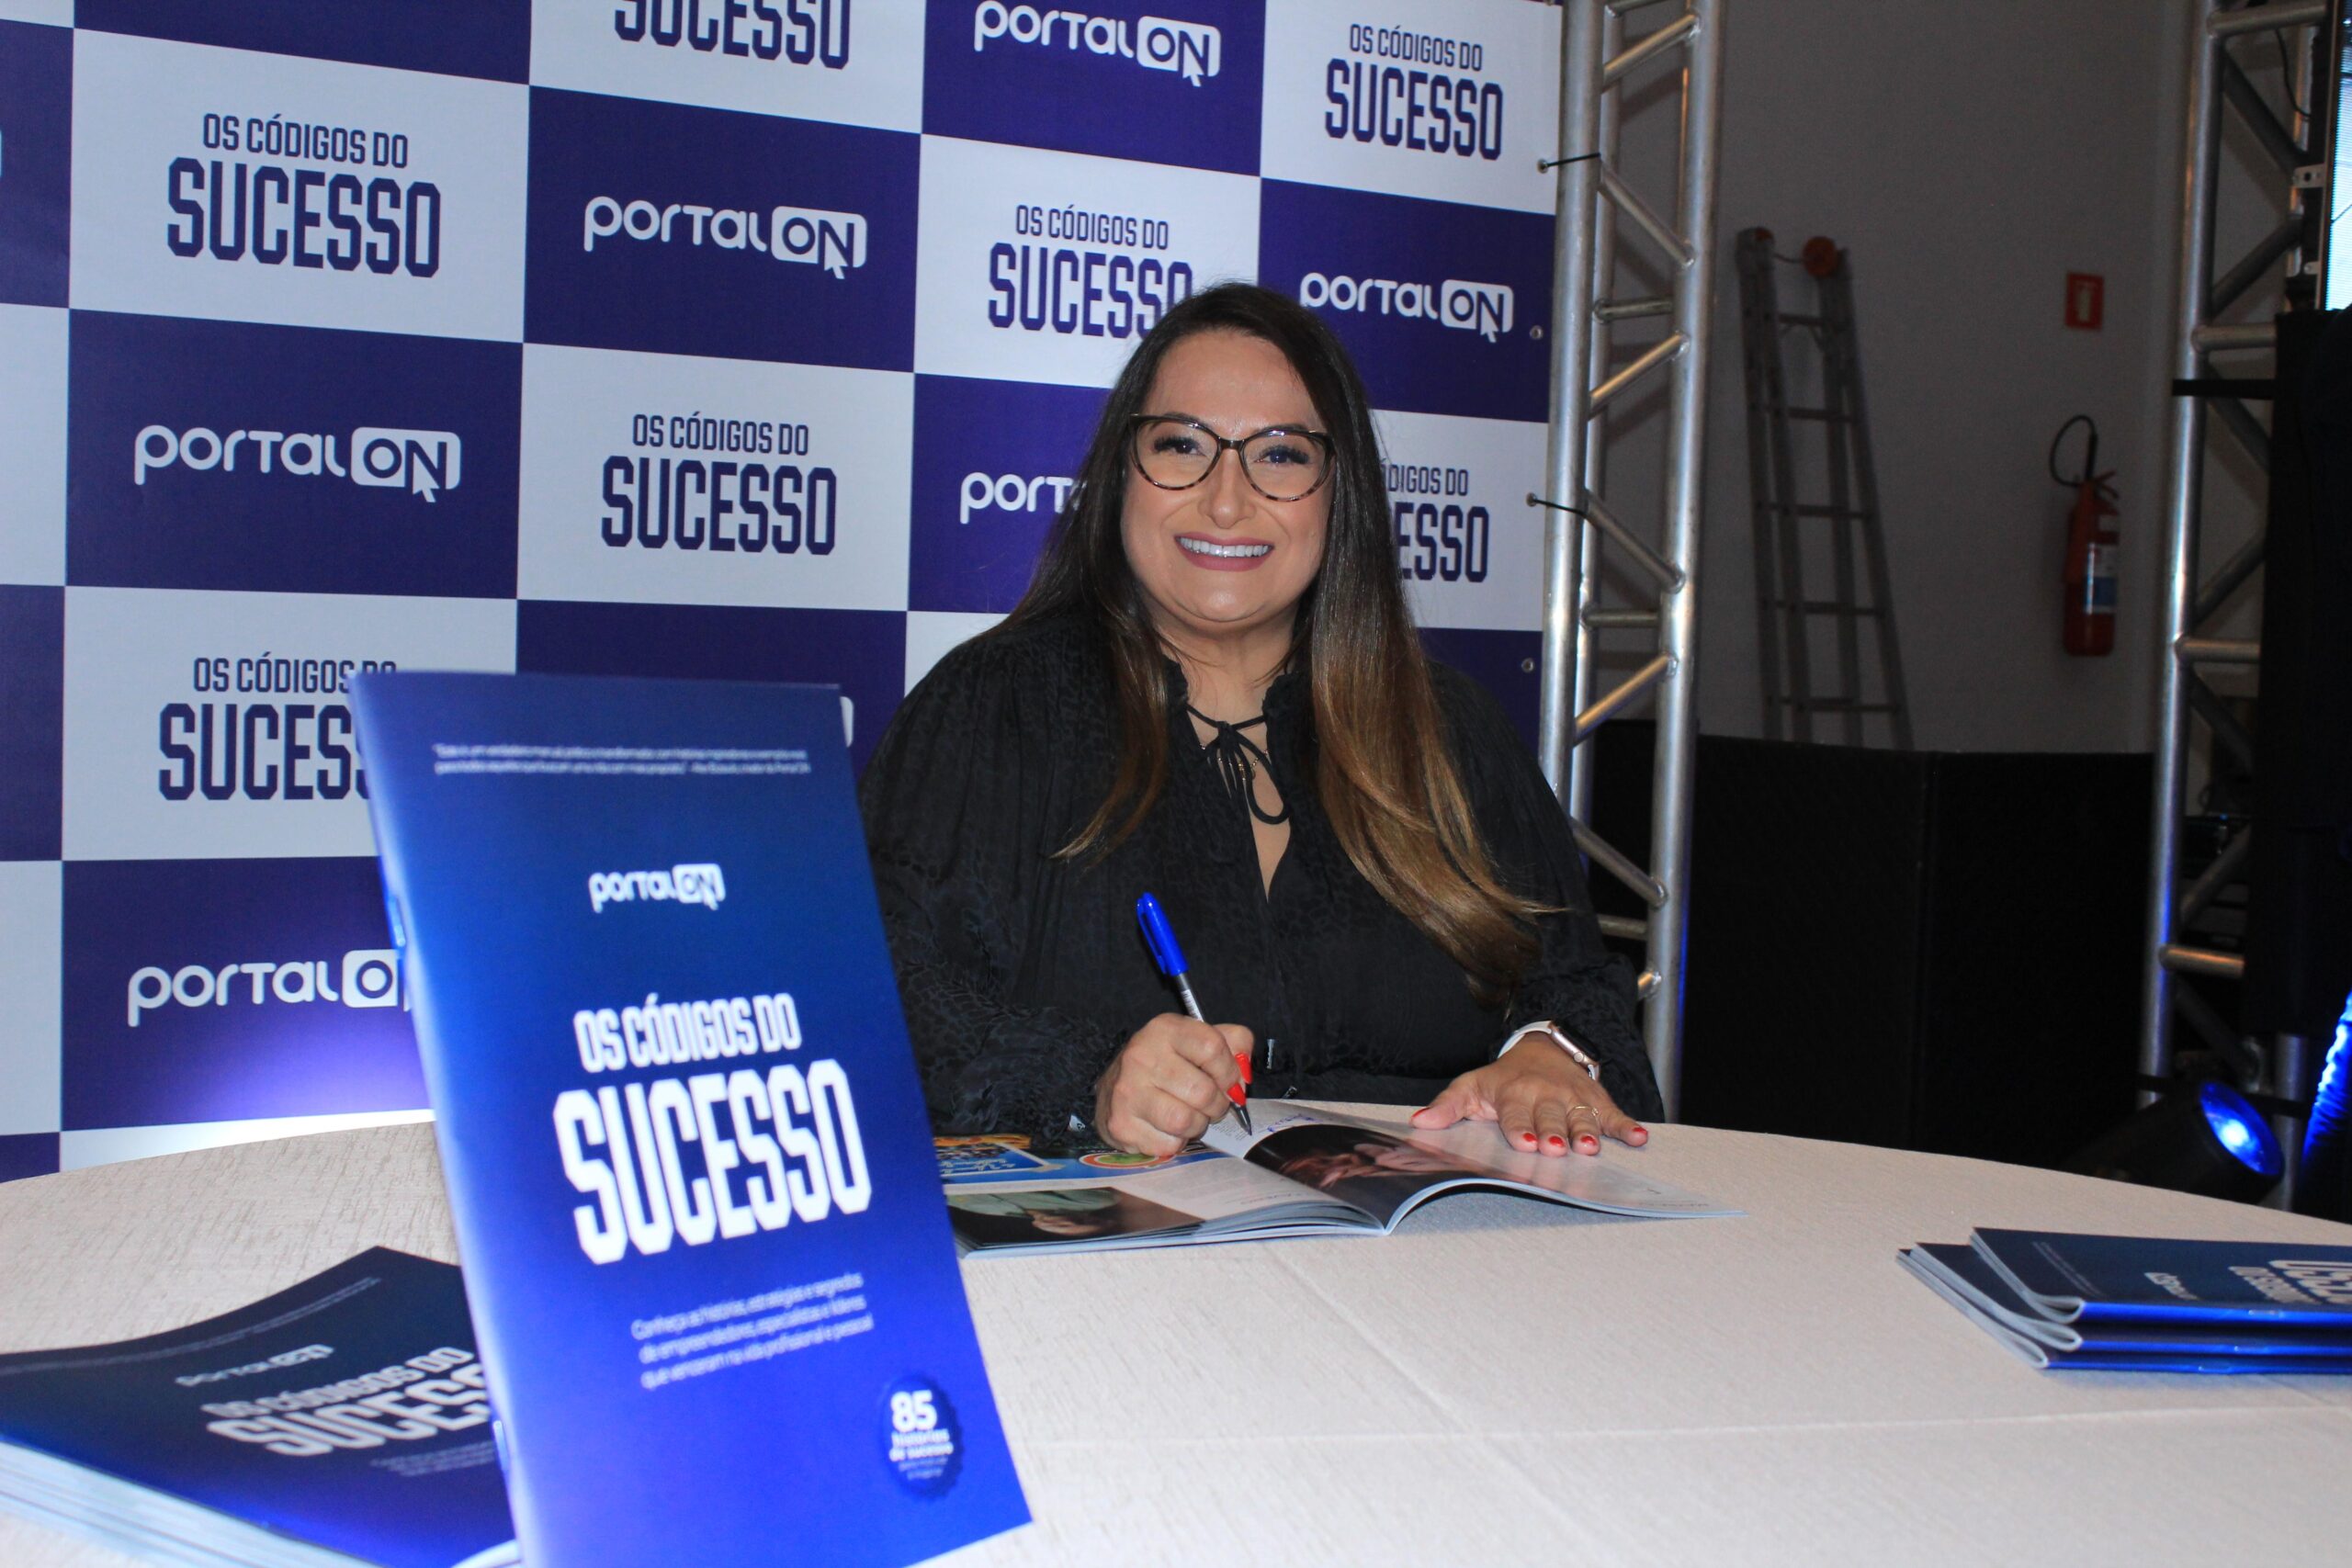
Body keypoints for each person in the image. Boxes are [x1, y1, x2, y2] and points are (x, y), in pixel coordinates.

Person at [859, 283, 1663, 1160]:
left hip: (1429, 1241)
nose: (1226, 500)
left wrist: (1548, 1054)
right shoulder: (991, 708)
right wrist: (1089, 1079)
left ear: (1340, 492)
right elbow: (871, 1002)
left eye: (1280, 455)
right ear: (1121, 473)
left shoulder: (1451, 732)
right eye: (1182, 445)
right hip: (1123, 1238)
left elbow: (1578, 987)